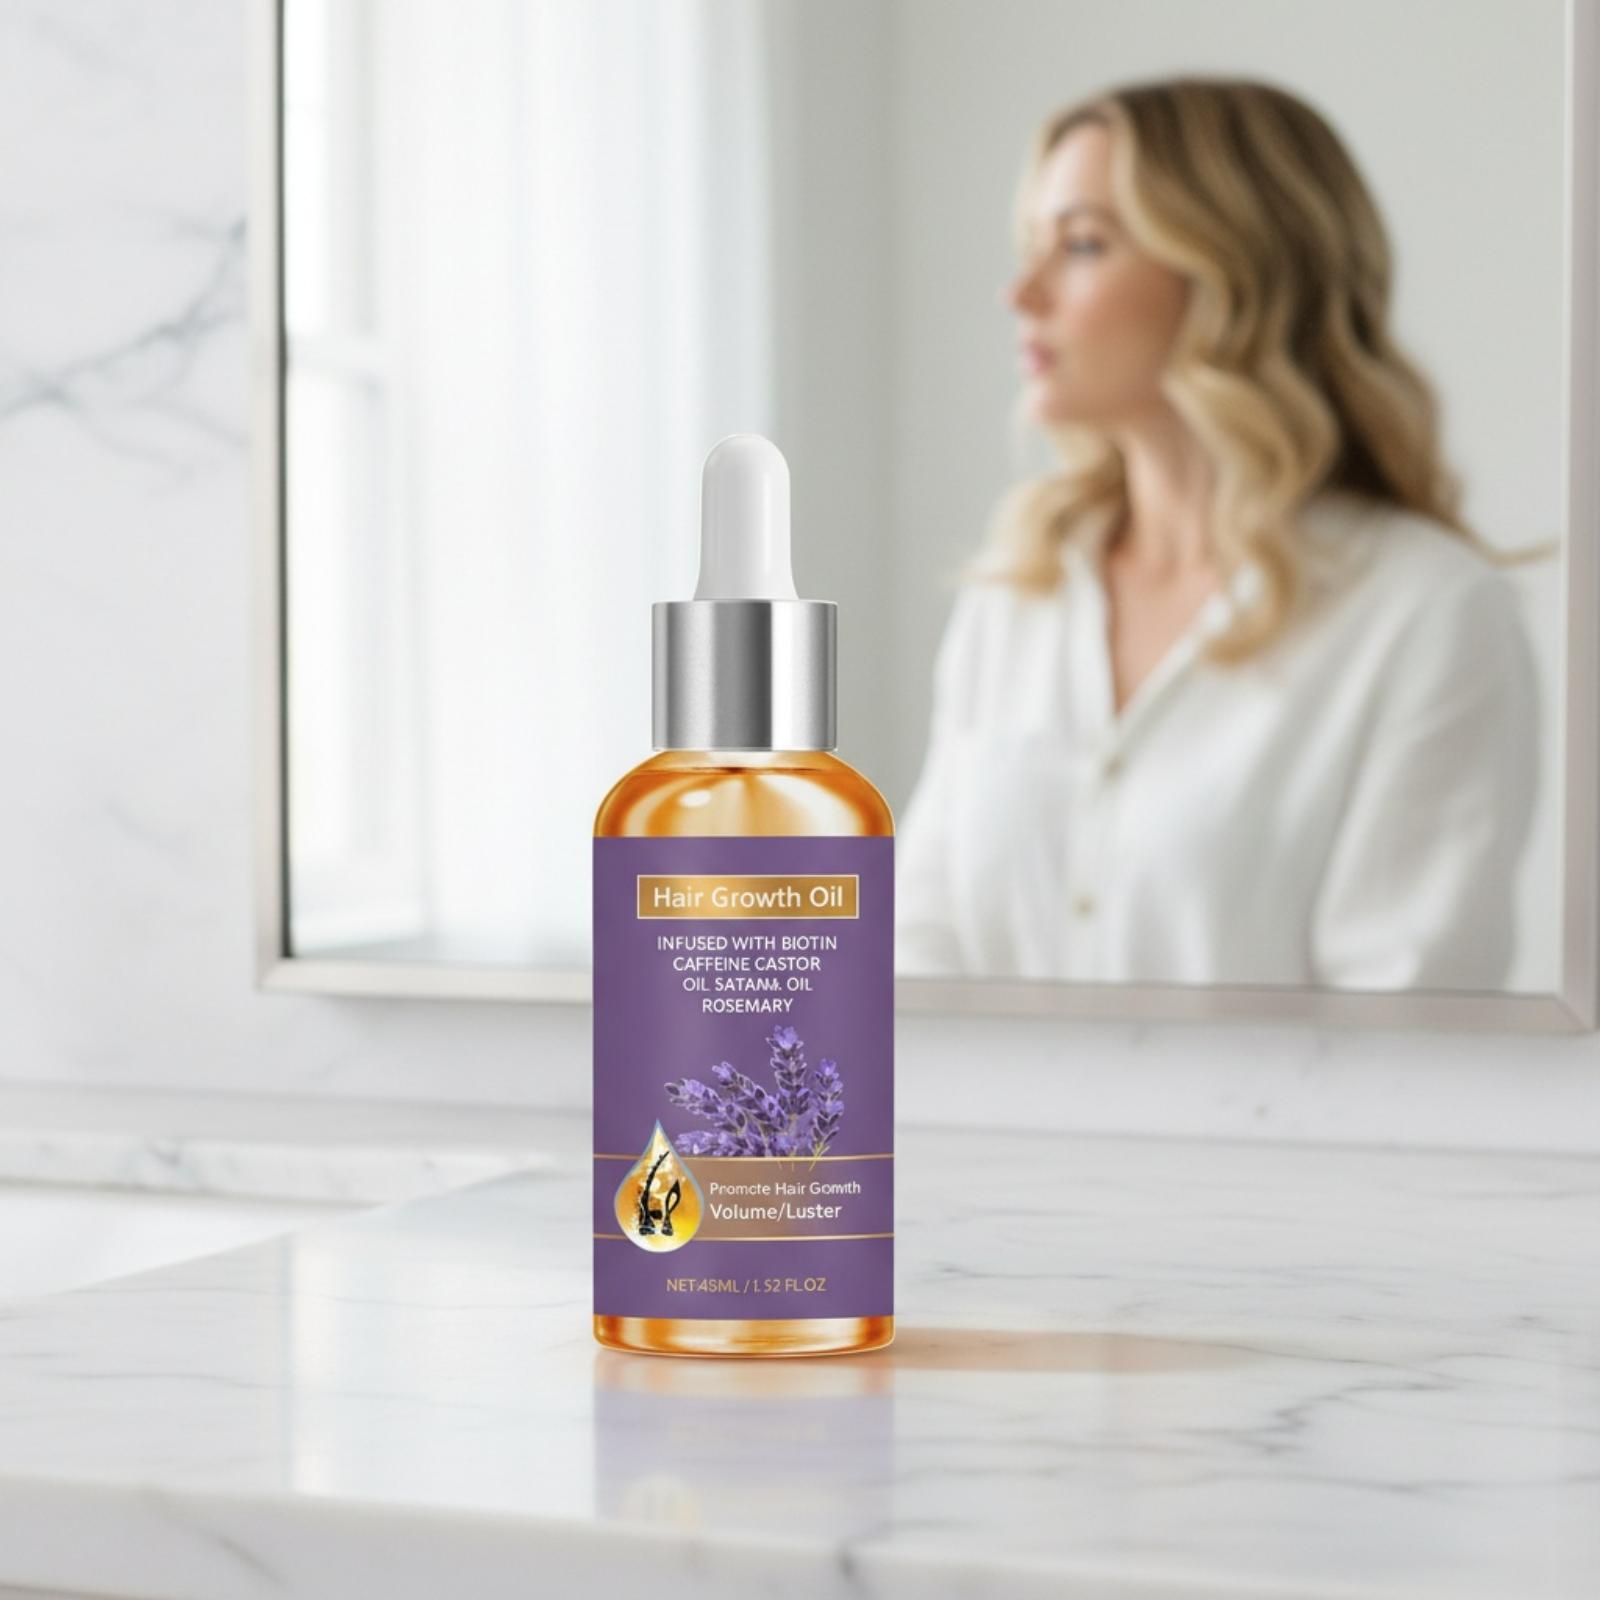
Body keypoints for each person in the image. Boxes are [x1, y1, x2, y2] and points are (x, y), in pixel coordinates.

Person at [894, 77, 1539, 989]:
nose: (1021, 293)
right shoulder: (1019, 593)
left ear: (1231, 277)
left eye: (1081, 244)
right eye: (1031, 246)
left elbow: (1409, 1020)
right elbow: (920, 949)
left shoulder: (1424, 614)